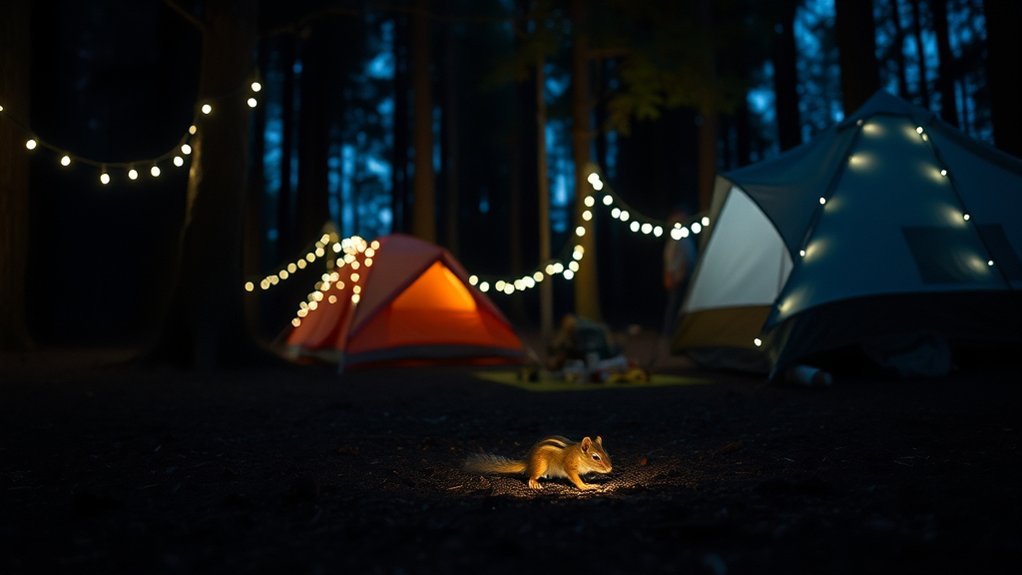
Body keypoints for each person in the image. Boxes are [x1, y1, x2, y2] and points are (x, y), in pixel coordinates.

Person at [661, 204, 698, 342]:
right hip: (677, 278)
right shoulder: (677, 239)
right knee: (674, 307)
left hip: (684, 277)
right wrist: (670, 275)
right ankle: (669, 335)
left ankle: (676, 334)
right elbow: (671, 259)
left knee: (678, 307)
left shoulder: (685, 238)